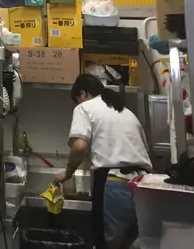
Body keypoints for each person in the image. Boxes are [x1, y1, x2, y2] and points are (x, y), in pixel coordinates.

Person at [54, 74, 152, 249]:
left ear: (83, 94)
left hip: (115, 182)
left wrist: (67, 174)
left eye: (77, 100)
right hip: (143, 184)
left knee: (107, 244)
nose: (78, 104)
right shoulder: (126, 112)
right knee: (133, 244)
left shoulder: (85, 108)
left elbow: (79, 147)